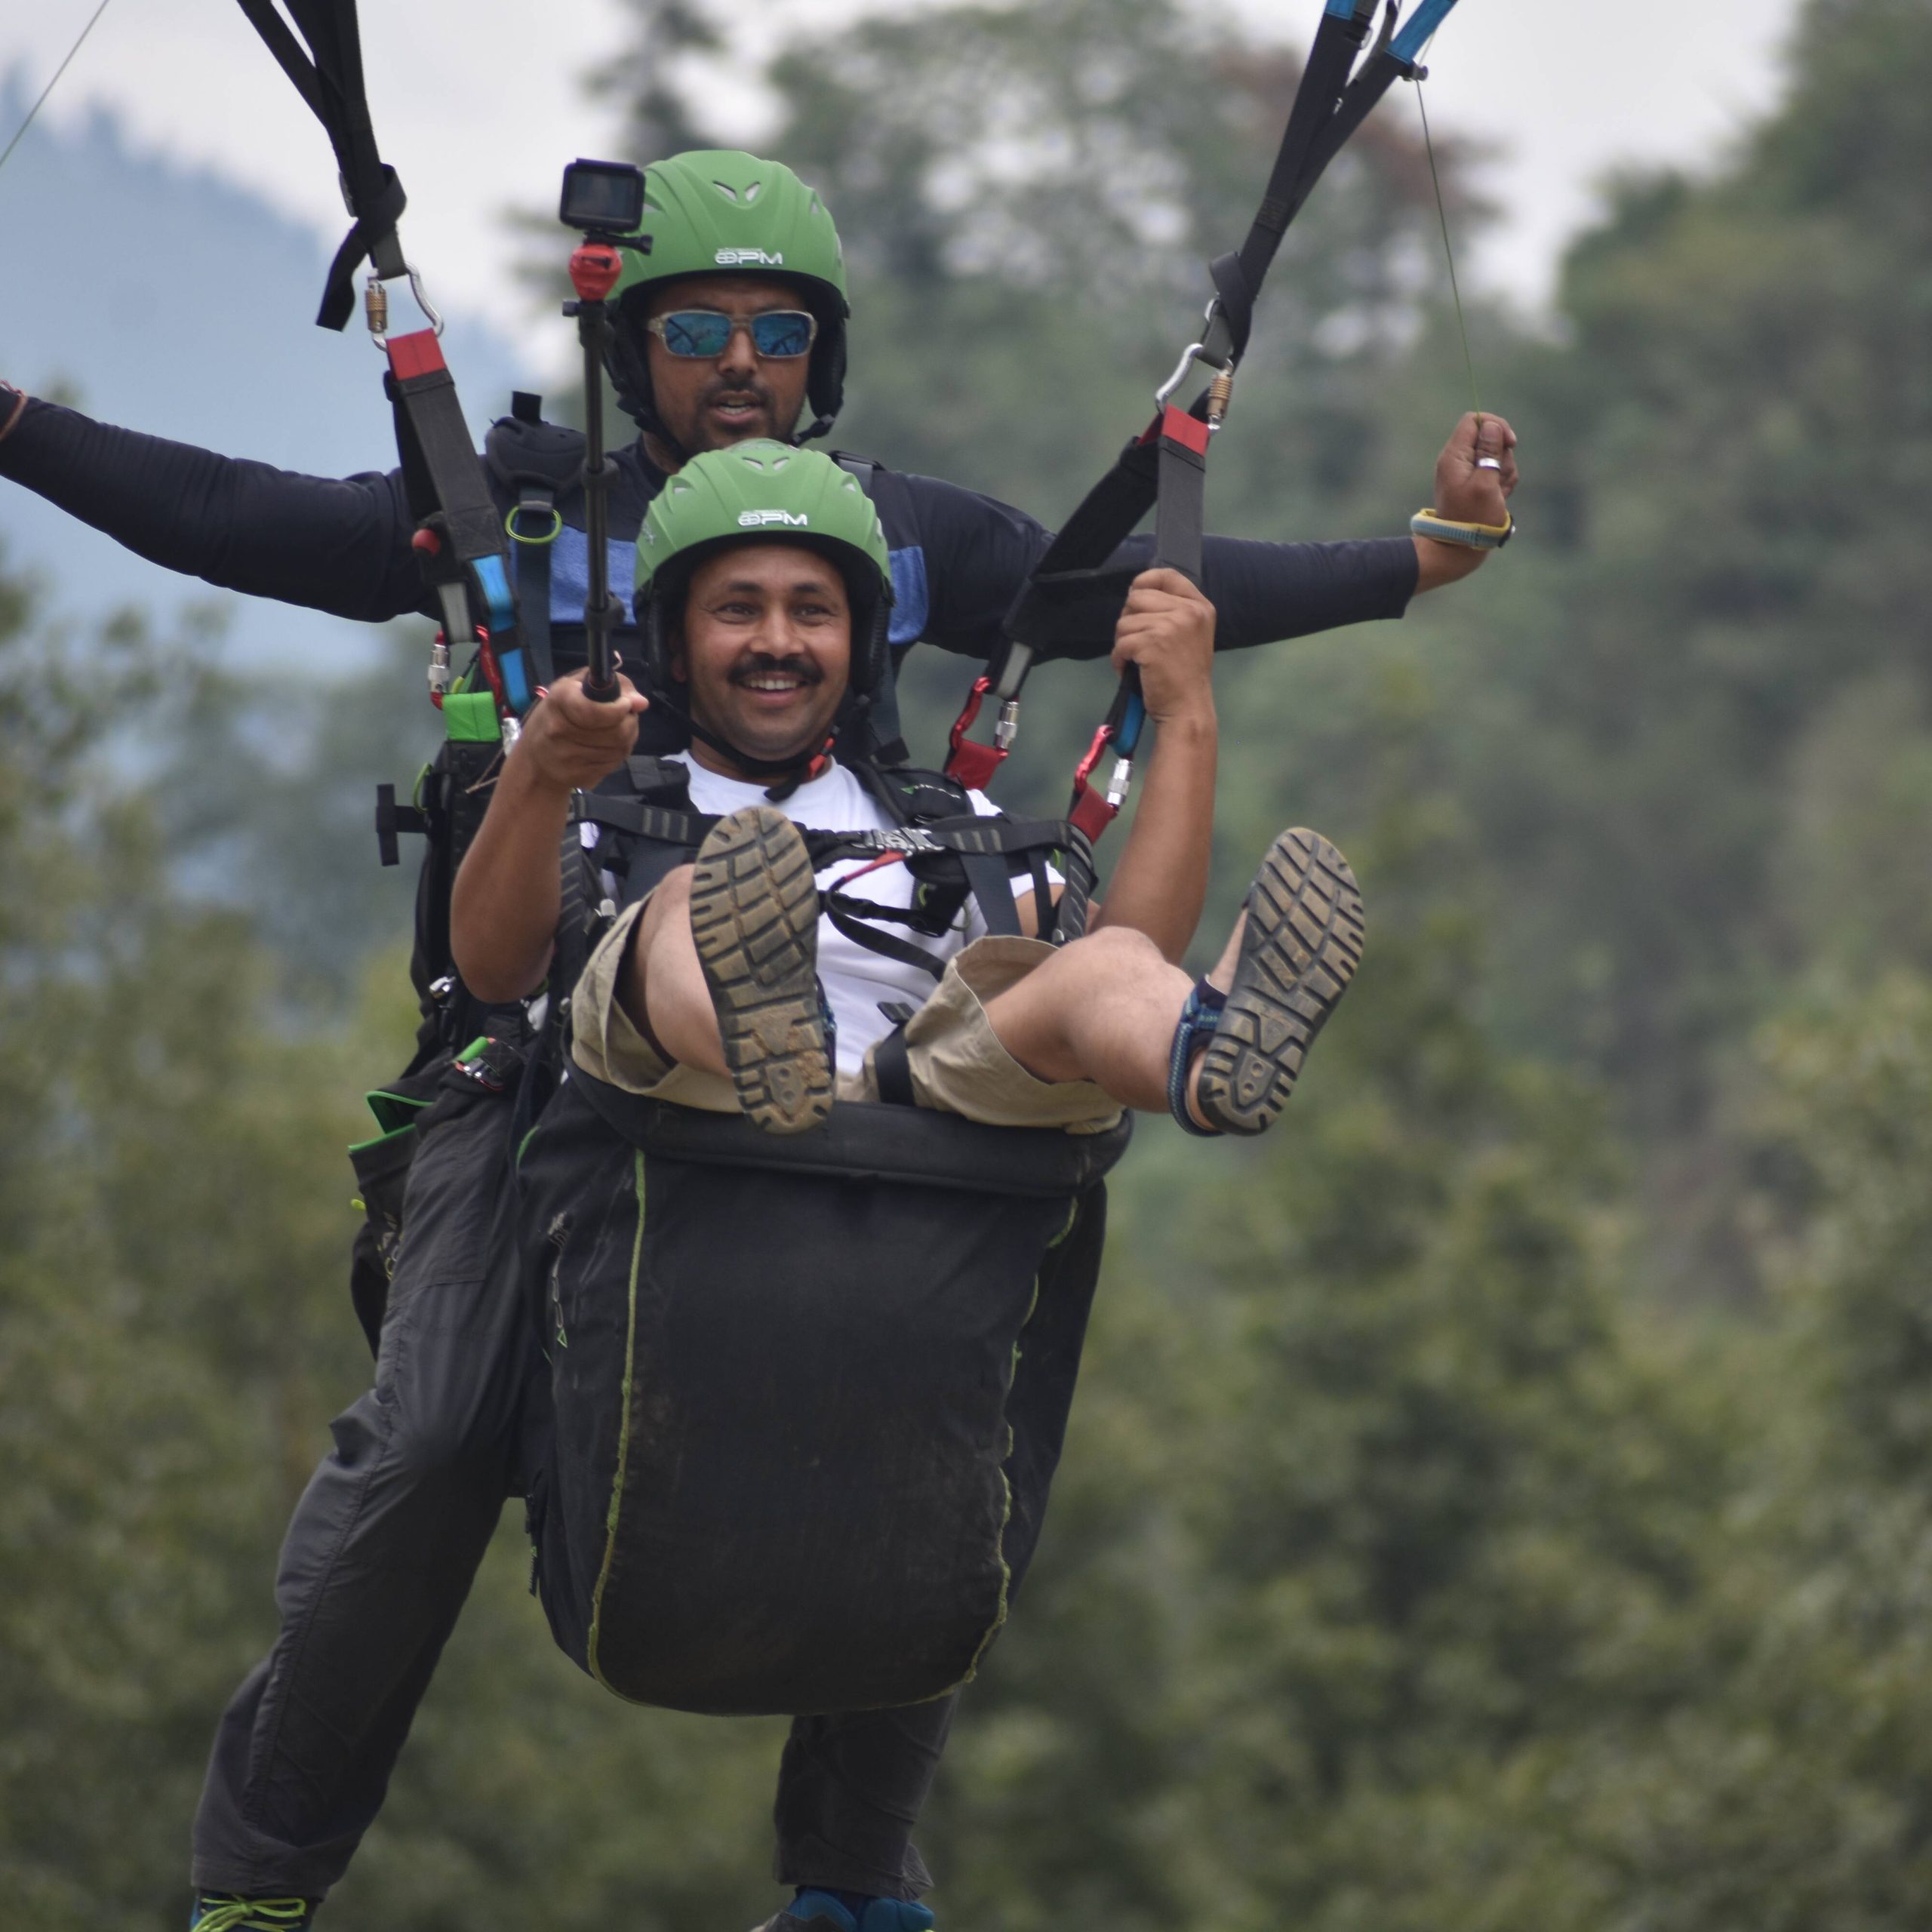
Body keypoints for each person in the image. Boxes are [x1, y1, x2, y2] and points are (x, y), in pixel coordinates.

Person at [8, 150, 1490, 1932]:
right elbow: (239, 514)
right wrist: (20, 422)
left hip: (883, 1034)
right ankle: (262, 1881)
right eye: (692, 327)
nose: (732, 361)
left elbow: (1137, 583)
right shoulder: (527, 525)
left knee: (950, 1337)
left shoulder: (896, 539)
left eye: (770, 331)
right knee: (419, 1452)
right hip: (550, 1042)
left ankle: (854, 1871)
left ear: (820, 364)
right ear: (629, 347)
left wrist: (1415, 558)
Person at [431, 442, 1364, 1932]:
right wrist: (543, 772)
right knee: (694, 893)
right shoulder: (615, 786)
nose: (779, 638)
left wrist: (1180, 707)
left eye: (812, 607)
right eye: (739, 607)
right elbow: (488, 966)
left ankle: (1201, 1044)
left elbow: (1123, 912)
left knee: (1092, 965)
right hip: (678, 1099)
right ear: (674, 635)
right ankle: (750, 1006)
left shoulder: (939, 819)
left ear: (859, 637)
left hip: (918, 1106)